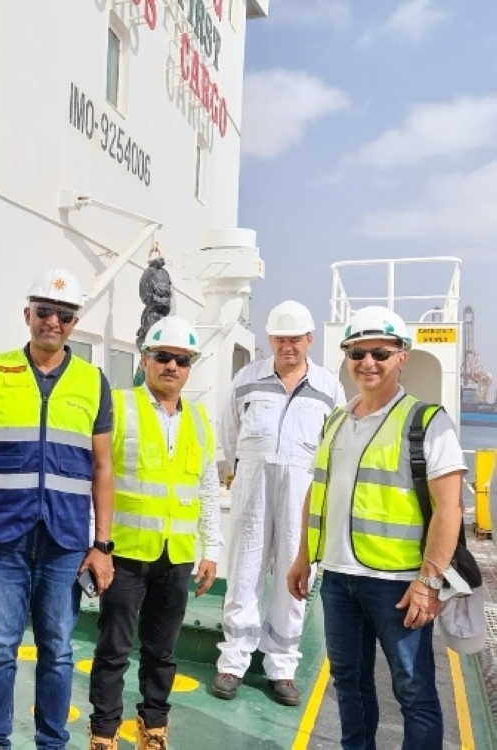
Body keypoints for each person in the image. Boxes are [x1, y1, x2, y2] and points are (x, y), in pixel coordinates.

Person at [287, 306, 466, 750]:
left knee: (413, 689)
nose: (368, 362)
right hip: (338, 578)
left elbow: (450, 507)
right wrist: (301, 558)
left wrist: (428, 582)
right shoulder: (336, 420)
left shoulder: (426, 421)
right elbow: (319, 490)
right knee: (349, 682)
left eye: (380, 353)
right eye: (357, 352)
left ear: (402, 356)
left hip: (398, 583)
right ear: (346, 357)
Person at [0, 267, 114, 750]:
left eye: (64, 315)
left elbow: (102, 468)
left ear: (73, 323)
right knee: (0, 646)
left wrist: (102, 544)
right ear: (27, 315)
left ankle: (50, 742)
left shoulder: (92, 381)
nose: (53, 322)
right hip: (2, 535)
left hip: (65, 540)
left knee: (58, 651)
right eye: (44, 311)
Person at [88, 316, 223, 750]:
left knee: (162, 653)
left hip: (177, 556)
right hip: (125, 553)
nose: (172, 366)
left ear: (190, 366)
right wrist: (97, 544)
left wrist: (211, 549)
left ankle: (154, 728)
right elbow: (97, 475)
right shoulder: (119, 404)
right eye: (163, 357)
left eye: (181, 360)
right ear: (145, 359)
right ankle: (104, 734)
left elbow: (205, 487)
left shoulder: (201, 420)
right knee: (113, 650)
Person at [212, 300, 345, 706]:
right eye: (279, 339)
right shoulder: (246, 379)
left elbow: (334, 445)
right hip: (252, 483)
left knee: (295, 570)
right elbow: (229, 432)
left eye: (295, 340)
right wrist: (241, 470)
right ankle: (233, 662)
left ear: (310, 340)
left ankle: (282, 665)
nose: (287, 347)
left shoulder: (328, 387)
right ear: (270, 339)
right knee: (244, 568)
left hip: (302, 490)